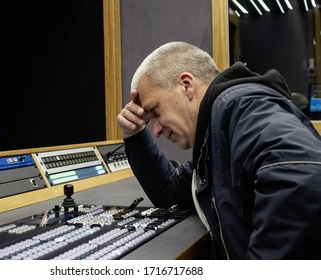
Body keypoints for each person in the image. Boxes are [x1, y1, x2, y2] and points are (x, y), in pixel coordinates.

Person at [116, 41, 321, 259]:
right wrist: (135, 134)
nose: (155, 130)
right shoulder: (213, 136)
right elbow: (169, 191)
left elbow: (302, 172)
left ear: (186, 85)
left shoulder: (242, 108)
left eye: (155, 111)